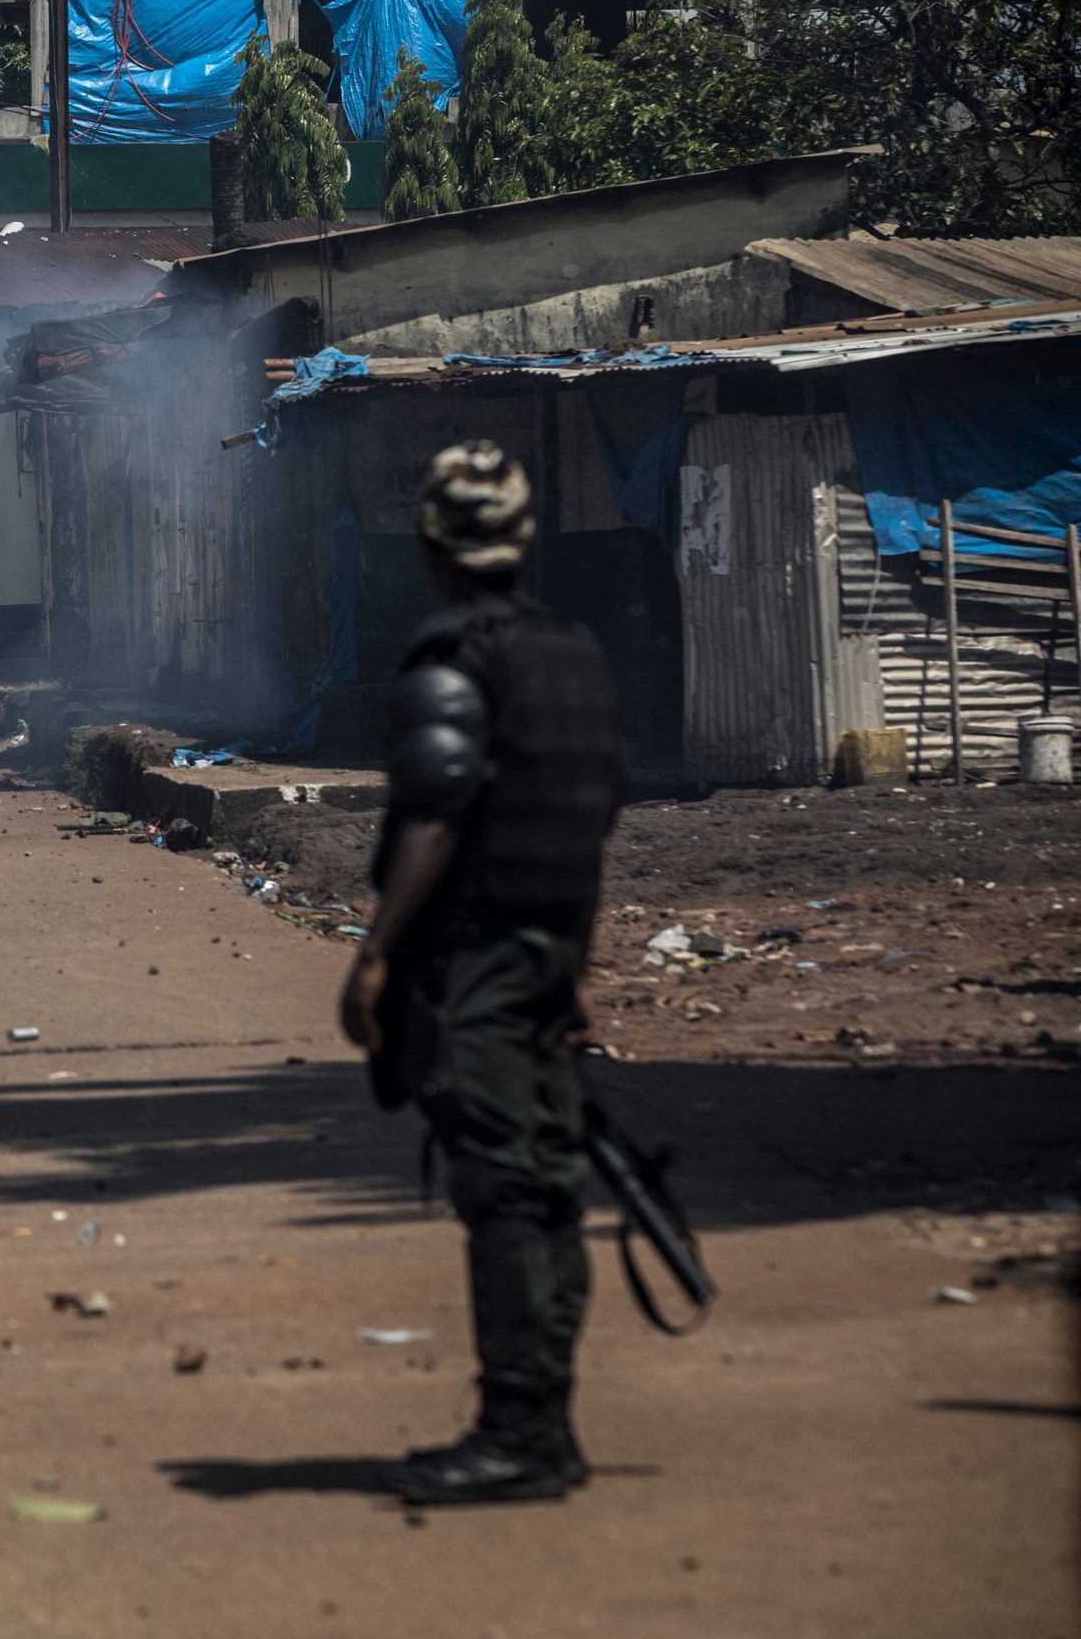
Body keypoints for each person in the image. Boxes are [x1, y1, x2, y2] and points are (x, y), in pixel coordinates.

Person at [339, 441, 623, 1508]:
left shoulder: (454, 657)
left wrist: (374, 956)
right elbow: (584, 823)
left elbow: (436, 813)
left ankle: (519, 1432)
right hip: (547, 946)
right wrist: (578, 965)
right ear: (524, 539)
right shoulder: (574, 655)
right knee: (546, 1186)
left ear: (430, 544)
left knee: (504, 1189)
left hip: (477, 959)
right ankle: (540, 1423)